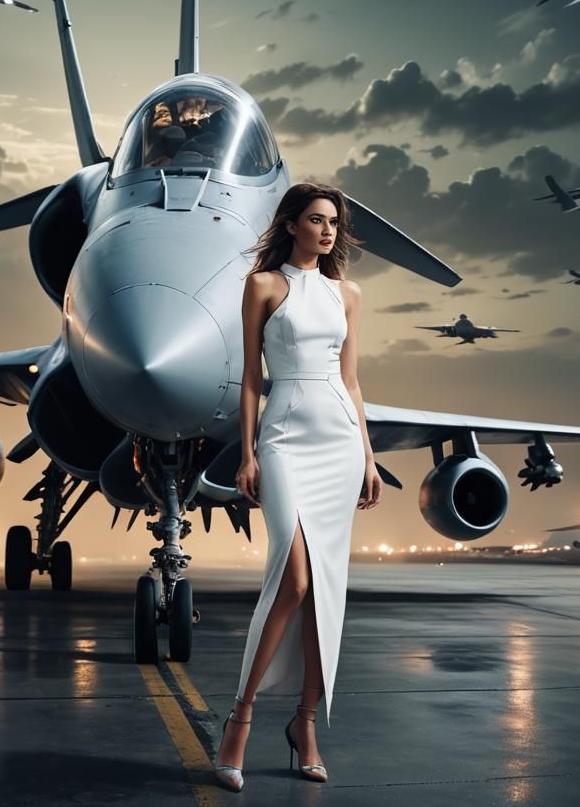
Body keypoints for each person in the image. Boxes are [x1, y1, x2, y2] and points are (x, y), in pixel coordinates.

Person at [213, 182, 383, 792]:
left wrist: (368, 457)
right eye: (316, 220)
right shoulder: (262, 286)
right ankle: (240, 717)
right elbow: (250, 379)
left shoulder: (347, 294)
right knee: (294, 580)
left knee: (325, 593)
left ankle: (305, 723)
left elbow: (351, 381)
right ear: (291, 225)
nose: (328, 230)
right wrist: (249, 452)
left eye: (334, 221)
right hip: (284, 439)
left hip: (339, 442)